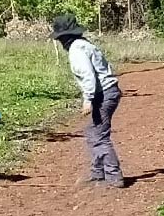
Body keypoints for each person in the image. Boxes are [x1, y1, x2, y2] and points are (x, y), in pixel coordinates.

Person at [52, 13, 126, 188]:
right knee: (93, 132)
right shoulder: (85, 44)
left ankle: (114, 176)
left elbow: (88, 76)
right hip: (110, 92)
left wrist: (88, 100)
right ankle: (98, 173)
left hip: (103, 94)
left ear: (65, 37)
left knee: (99, 135)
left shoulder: (76, 49)